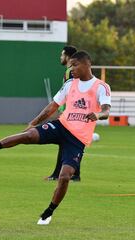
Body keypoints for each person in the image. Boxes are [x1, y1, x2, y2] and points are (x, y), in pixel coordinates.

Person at [0, 51, 111, 225]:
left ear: (86, 65)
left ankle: (48, 212)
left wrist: (97, 115)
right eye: (70, 65)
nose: (70, 68)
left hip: (78, 139)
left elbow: (106, 110)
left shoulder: (101, 87)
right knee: (28, 135)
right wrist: (33, 122)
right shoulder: (69, 84)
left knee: (65, 176)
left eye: (74, 65)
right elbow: (53, 106)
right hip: (61, 127)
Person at [46, 45, 79, 182]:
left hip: (71, 114)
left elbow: (73, 93)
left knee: (67, 142)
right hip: (71, 113)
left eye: (62, 55)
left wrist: (66, 111)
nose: (60, 57)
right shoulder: (72, 71)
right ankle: (67, 174)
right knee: (68, 143)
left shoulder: (71, 72)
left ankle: (61, 174)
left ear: (67, 56)